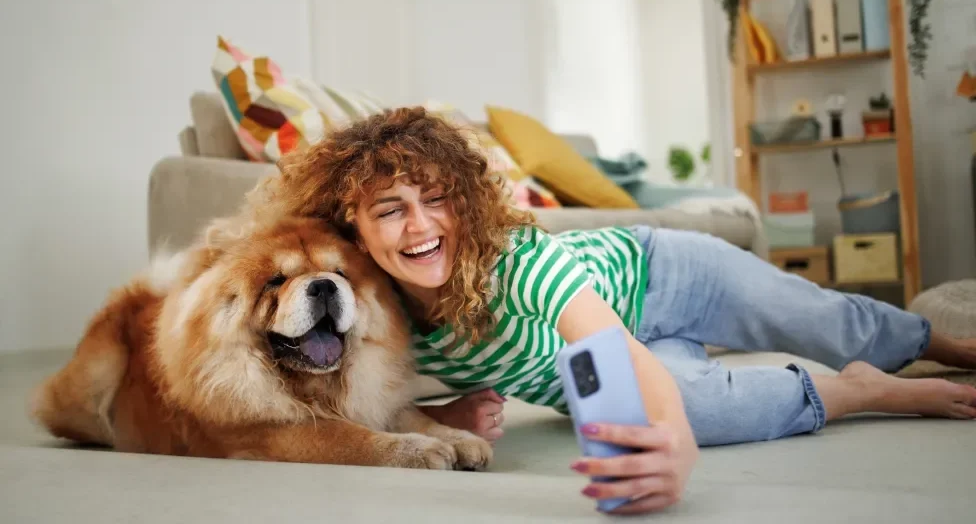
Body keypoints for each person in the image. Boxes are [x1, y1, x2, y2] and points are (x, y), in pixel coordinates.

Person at [257, 107, 976, 515]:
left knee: (824, 319)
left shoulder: (512, 264)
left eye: (436, 198)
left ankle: (950, 345)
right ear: (352, 228)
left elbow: (619, 354)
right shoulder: (372, 322)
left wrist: (677, 451)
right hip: (623, 338)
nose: (421, 227)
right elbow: (363, 410)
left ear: (463, 200)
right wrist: (444, 419)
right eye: (390, 210)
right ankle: (862, 388)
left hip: (663, 278)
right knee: (701, 407)